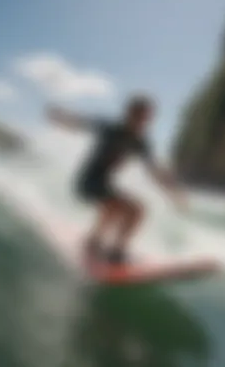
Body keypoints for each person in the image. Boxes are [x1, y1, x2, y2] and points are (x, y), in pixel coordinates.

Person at [46, 94, 188, 265]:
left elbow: (154, 171)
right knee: (120, 206)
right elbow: (81, 123)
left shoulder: (140, 142)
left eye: (146, 118)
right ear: (129, 114)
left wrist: (174, 194)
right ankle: (105, 248)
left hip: (105, 185)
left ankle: (104, 245)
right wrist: (61, 117)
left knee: (134, 210)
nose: (142, 122)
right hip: (87, 182)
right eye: (139, 116)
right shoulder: (111, 129)